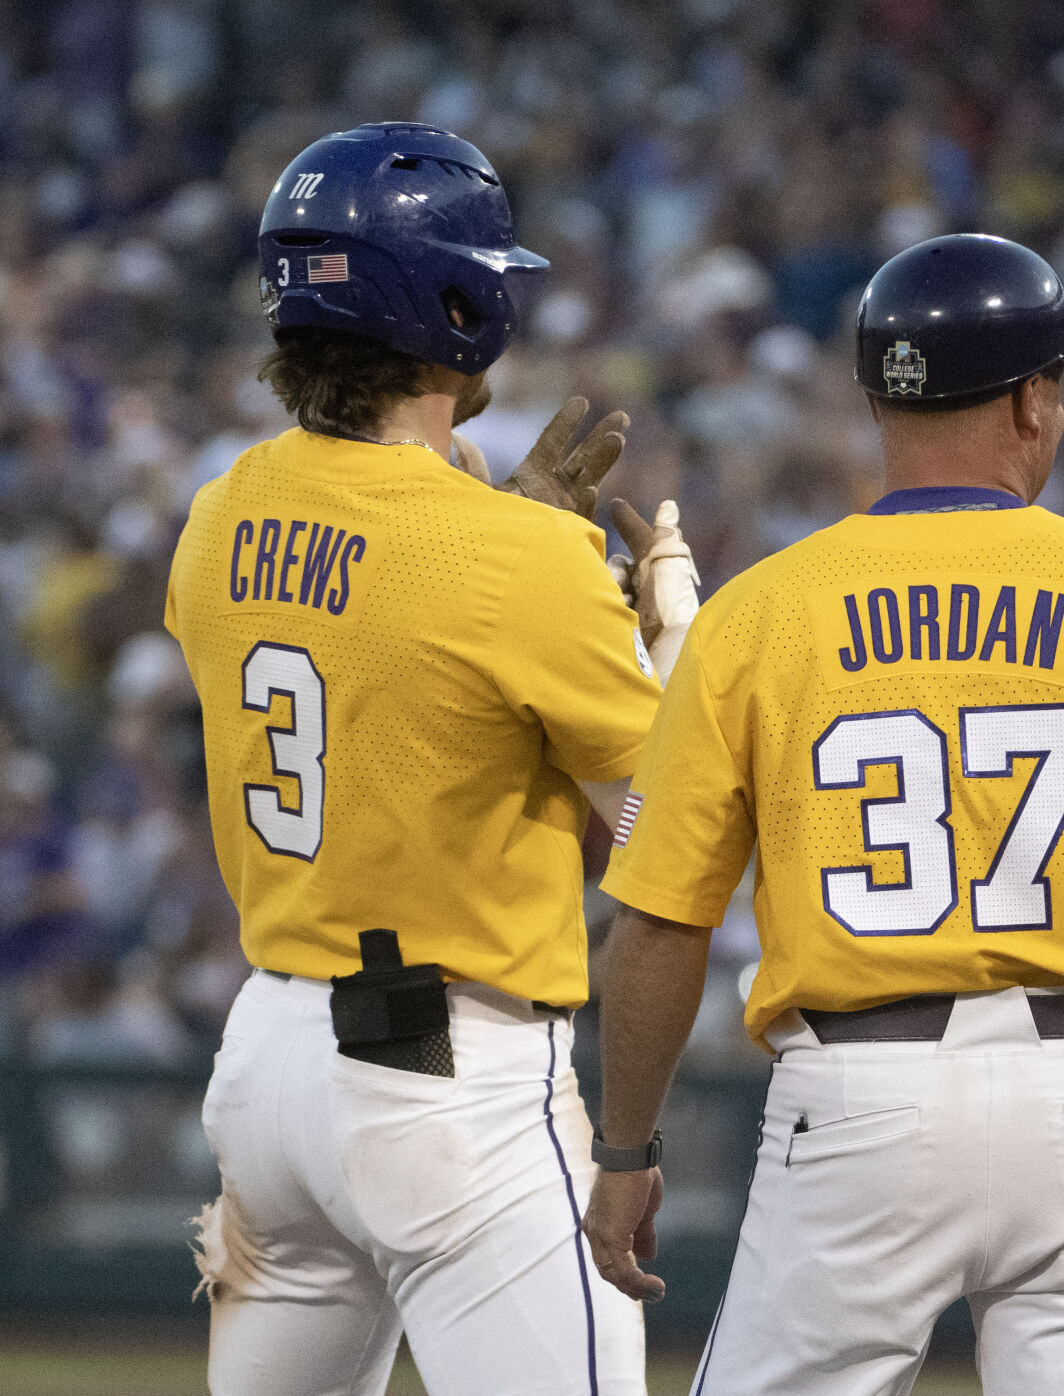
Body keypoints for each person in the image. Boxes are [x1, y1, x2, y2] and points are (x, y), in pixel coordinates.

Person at [583, 233, 1064, 1395]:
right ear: (1032, 401)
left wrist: (624, 1147)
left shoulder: (757, 614)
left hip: (855, 1100)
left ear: (876, 396)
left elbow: (661, 922)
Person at [168, 122, 696, 1396]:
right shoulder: (516, 560)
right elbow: (666, 826)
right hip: (443, 1077)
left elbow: (388, 655)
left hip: (269, 1066)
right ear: (463, 304)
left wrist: (500, 535)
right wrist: (674, 633)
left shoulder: (221, 506)